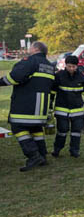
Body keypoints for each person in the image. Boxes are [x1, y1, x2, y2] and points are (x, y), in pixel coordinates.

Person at [0, 41, 55, 171]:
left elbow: (15, 77)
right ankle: (42, 156)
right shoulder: (49, 65)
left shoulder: (30, 61)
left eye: (30, 48)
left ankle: (33, 155)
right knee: (36, 129)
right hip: (42, 106)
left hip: (26, 104)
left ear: (35, 49)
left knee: (18, 127)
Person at [49, 55, 84, 157]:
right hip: (61, 109)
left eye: (74, 66)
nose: (71, 69)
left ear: (77, 66)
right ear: (65, 65)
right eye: (69, 66)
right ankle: (57, 149)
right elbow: (52, 92)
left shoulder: (83, 78)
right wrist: (50, 104)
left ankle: (74, 151)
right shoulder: (59, 76)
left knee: (76, 131)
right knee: (62, 130)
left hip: (77, 109)